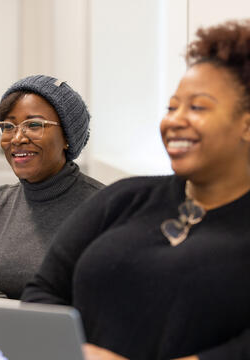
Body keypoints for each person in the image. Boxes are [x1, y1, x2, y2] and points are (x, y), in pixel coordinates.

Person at [22, 21, 250, 360]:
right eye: (172, 107)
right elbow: (43, 291)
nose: (175, 120)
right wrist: (80, 352)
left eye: (198, 107)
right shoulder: (123, 198)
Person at [0, 75, 104, 300]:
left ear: (67, 137)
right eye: (8, 126)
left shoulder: (104, 207)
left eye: (34, 125)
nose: (17, 138)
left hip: (73, 333)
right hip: (4, 329)